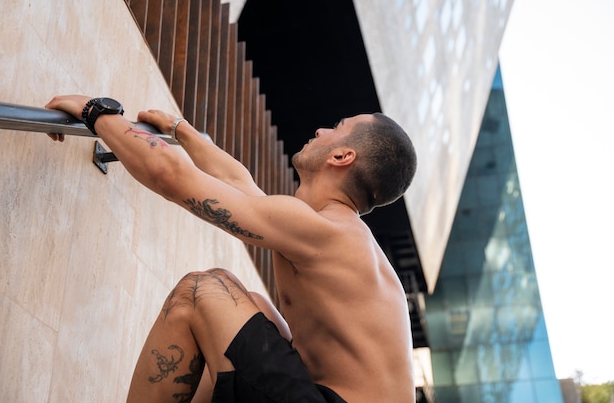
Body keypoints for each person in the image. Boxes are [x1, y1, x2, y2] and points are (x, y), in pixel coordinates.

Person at [46, 95, 418, 403]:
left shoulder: (327, 232)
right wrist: (182, 131)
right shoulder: (333, 231)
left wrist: (95, 112)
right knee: (254, 307)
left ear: (341, 157)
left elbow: (172, 178)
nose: (321, 130)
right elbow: (241, 186)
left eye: (337, 128)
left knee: (203, 291)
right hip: (319, 395)